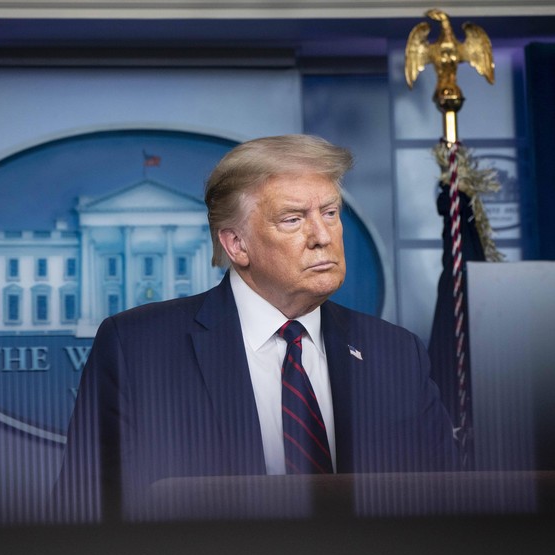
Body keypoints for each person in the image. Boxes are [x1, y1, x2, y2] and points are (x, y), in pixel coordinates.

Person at [55, 134, 457, 522]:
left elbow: (448, 507)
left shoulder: (395, 352)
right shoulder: (137, 350)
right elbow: (88, 517)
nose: (322, 236)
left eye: (330, 213)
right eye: (292, 218)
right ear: (236, 245)